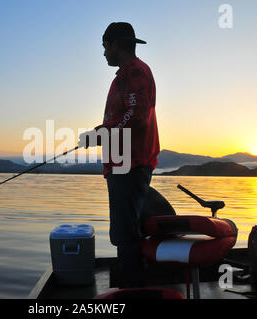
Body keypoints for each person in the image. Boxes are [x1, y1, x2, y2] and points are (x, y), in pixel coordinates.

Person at [79, 22, 160, 288]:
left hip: (130, 164)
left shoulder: (135, 72)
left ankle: (131, 292)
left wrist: (103, 133)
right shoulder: (125, 75)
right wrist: (99, 132)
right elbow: (125, 116)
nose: (103, 53)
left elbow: (137, 115)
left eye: (104, 46)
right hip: (122, 165)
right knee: (124, 234)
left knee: (126, 236)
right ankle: (131, 287)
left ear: (116, 44)